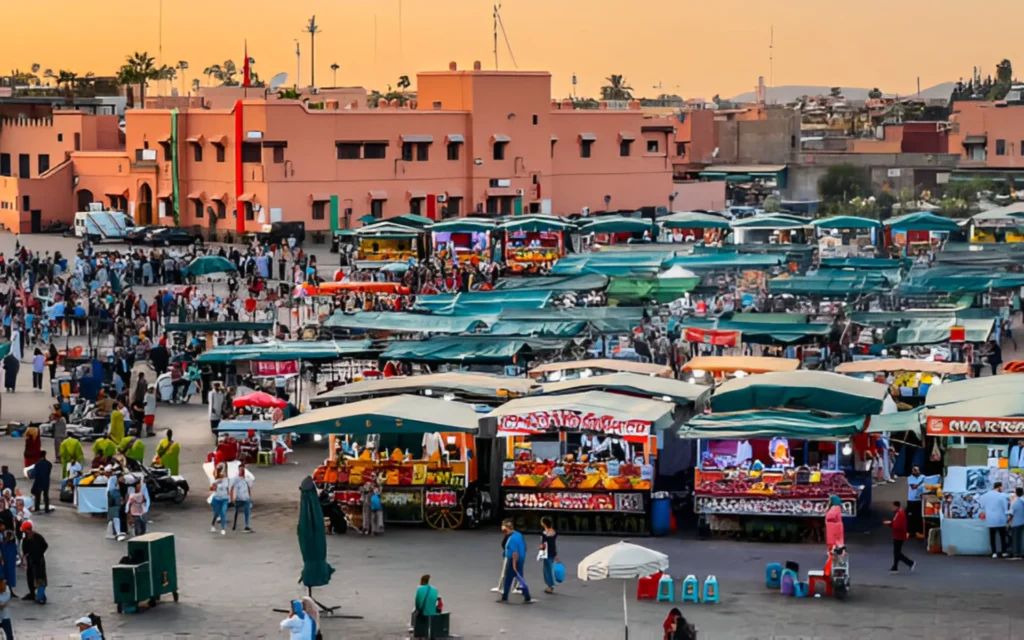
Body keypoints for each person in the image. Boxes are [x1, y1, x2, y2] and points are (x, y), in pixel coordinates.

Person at [499, 518, 531, 603]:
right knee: (520, 579)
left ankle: (505, 597)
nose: (504, 533)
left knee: (508, 579)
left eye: (505, 530)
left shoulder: (512, 539)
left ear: (508, 529)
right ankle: (527, 595)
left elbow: (514, 553)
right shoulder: (518, 534)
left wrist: (513, 566)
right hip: (520, 559)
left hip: (513, 561)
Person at [980, 481, 1011, 558]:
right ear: (999, 487)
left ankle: (994, 552)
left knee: (992, 537)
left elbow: (982, 506)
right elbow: (1005, 508)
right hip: (1001, 519)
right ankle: (1004, 552)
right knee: (1002, 537)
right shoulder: (1002, 496)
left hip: (990, 519)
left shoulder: (985, 496)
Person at [885, 500, 915, 573]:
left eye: (893, 506)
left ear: (896, 507)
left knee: (897, 553)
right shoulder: (899, 513)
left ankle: (910, 562)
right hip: (898, 535)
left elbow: (897, 525)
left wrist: (890, 524)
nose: (892, 508)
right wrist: (891, 523)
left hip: (899, 536)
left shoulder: (900, 514)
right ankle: (895, 567)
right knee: (896, 552)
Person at [21, 522, 47, 603]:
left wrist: (39, 553)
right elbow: (24, 550)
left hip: (38, 561)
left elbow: (45, 545)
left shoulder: (37, 537)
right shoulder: (28, 539)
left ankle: (40, 597)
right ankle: (34, 594)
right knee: (31, 578)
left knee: (40, 578)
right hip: (32, 561)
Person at [412, 574, 439, 638]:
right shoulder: (435, 589)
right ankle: (432, 637)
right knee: (432, 626)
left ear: (422, 581)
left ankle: (421, 637)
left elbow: (417, 601)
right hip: (433, 611)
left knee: (421, 623)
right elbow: (435, 600)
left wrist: (417, 610)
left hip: (424, 612)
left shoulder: (419, 589)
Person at [230, 463, 254, 533]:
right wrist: (232, 498)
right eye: (240, 469)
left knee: (247, 511)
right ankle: (235, 524)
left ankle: (247, 526)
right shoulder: (235, 479)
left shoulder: (247, 479)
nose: (242, 470)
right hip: (238, 499)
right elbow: (231, 488)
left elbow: (249, 488)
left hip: (246, 499)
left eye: (243, 469)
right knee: (238, 511)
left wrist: (250, 497)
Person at [539, 516, 559, 594]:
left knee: (547, 570)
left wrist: (541, 553)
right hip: (552, 552)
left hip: (546, 552)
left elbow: (542, 544)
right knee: (550, 569)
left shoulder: (544, 533)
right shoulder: (554, 532)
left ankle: (550, 586)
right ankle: (550, 585)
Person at [209, 464, 230, 536]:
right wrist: (217, 482)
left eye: (223, 471)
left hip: (224, 499)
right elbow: (211, 488)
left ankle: (223, 528)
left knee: (223, 512)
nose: (222, 472)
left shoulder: (226, 479)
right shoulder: (214, 479)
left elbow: (226, 486)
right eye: (220, 470)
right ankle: (213, 524)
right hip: (216, 499)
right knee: (216, 513)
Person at [30, 450, 53, 514]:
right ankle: (46, 508)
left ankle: (37, 507)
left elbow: (34, 474)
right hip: (46, 481)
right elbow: (48, 472)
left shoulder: (37, 464)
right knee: (46, 495)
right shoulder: (49, 464)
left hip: (39, 481)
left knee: (38, 495)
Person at [906, 466, 925, 538]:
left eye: (916, 470)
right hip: (911, 500)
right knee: (910, 516)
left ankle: (918, 532)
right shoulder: (910, 478)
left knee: (919, 516)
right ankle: (909, 532)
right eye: (914, 470)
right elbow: (913, 487)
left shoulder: (923, 477)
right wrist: (921, 482)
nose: (915, 471)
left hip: (920, 500)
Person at [1009, 487, 1024, 559]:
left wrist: (1008, 522)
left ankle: (1015, 553)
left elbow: (1011, 513)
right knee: (1021, 538)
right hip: (1022, 522)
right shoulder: (1022, 500)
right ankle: (1021, 552)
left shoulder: (1015, 502)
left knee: (1015, 539)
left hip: (1016, 522)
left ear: (1016, 493)